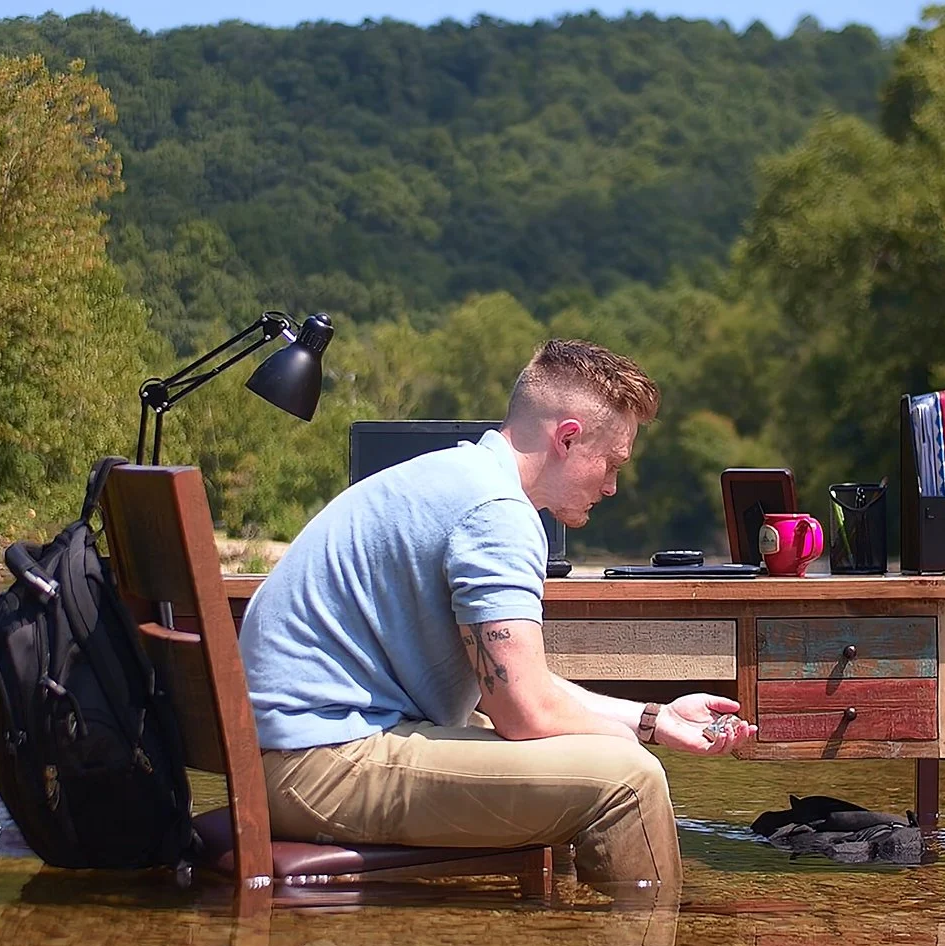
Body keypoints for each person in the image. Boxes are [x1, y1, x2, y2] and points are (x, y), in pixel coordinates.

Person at [237, 338, 757, 896]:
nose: (611, 486)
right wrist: (625, 744)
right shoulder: (497, 513)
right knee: (627, 780)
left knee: (584, 752)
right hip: (316, 767)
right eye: (611, 464)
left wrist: (655, 718)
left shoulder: (459, 478)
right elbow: (525, 711)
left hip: (288, 756)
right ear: (568, 437)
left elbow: (514, 685)